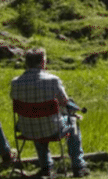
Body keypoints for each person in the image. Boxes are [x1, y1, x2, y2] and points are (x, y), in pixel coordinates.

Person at [11, 47, 89, 178]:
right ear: (43, 62)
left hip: (26, 129)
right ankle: (78, 166)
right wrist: (73, 112)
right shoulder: (53, 80)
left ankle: (46, 166)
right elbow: (64, 102)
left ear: (26, 63)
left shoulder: (15, 82)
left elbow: (14, 99)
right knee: (73, 121)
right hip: (52, 129)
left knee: (35, 121)